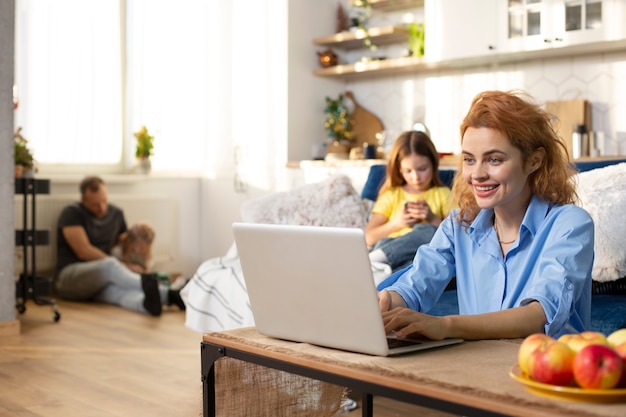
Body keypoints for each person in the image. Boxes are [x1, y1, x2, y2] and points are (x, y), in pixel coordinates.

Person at [378, 90, 594, 341]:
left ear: (534, 160)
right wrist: (386, 302)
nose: (477, 174)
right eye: (469, 160)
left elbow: (539, 314)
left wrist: (445, 325)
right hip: (475, 370)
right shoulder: (458, 226)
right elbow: (415, 286)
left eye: (493, 159)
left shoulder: (570, 224)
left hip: (545, 373)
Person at [55, 176, 185, 316]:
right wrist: (124, 267)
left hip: (101, 280)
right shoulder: (72, 213)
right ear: (83, 200)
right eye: (95, 204)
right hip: (70, 278)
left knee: (117, 293)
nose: (101, 208)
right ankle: (171, 294)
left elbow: (125, 243)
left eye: (104, 201)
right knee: (109, 265)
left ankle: (147, 304)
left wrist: (142, 260)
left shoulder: (116, 213)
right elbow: (83, 251)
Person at [366, 130, 452, 272]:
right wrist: (398, 223)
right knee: (390, 246)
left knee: (428, 233)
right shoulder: (392, 195)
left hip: (419, 255)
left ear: (434, 164)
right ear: (399, 169)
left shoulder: (443, 194)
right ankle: (377, 262)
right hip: (384, 249)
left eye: (422, 169)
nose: (416, 177)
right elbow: (369, 237)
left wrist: (432, 218)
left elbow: (454, 235)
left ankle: (385, 276)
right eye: (408, 171)